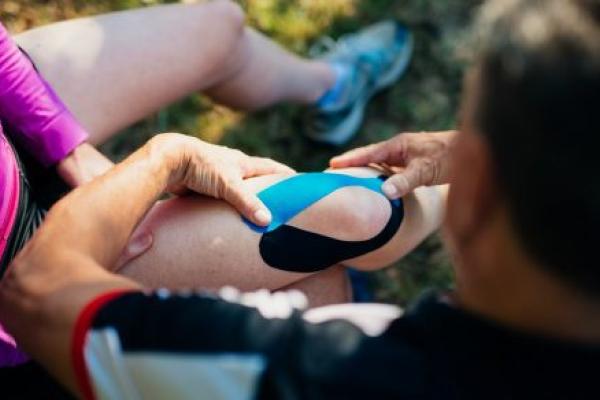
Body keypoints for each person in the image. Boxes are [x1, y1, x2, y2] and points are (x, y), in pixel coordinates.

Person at [3, 0, 600, 398]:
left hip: (30, 266)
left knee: (350, 227)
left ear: (473, 201)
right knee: (353, 218)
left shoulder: (328, 367)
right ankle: (333, 89)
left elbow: (34, 292)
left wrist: (159, 160)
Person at [0, 0, 425, 371]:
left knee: (220, 27)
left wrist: (69, 150)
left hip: (10, 139)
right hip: (16, 272)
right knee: (339, 238)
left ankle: (332, 88)